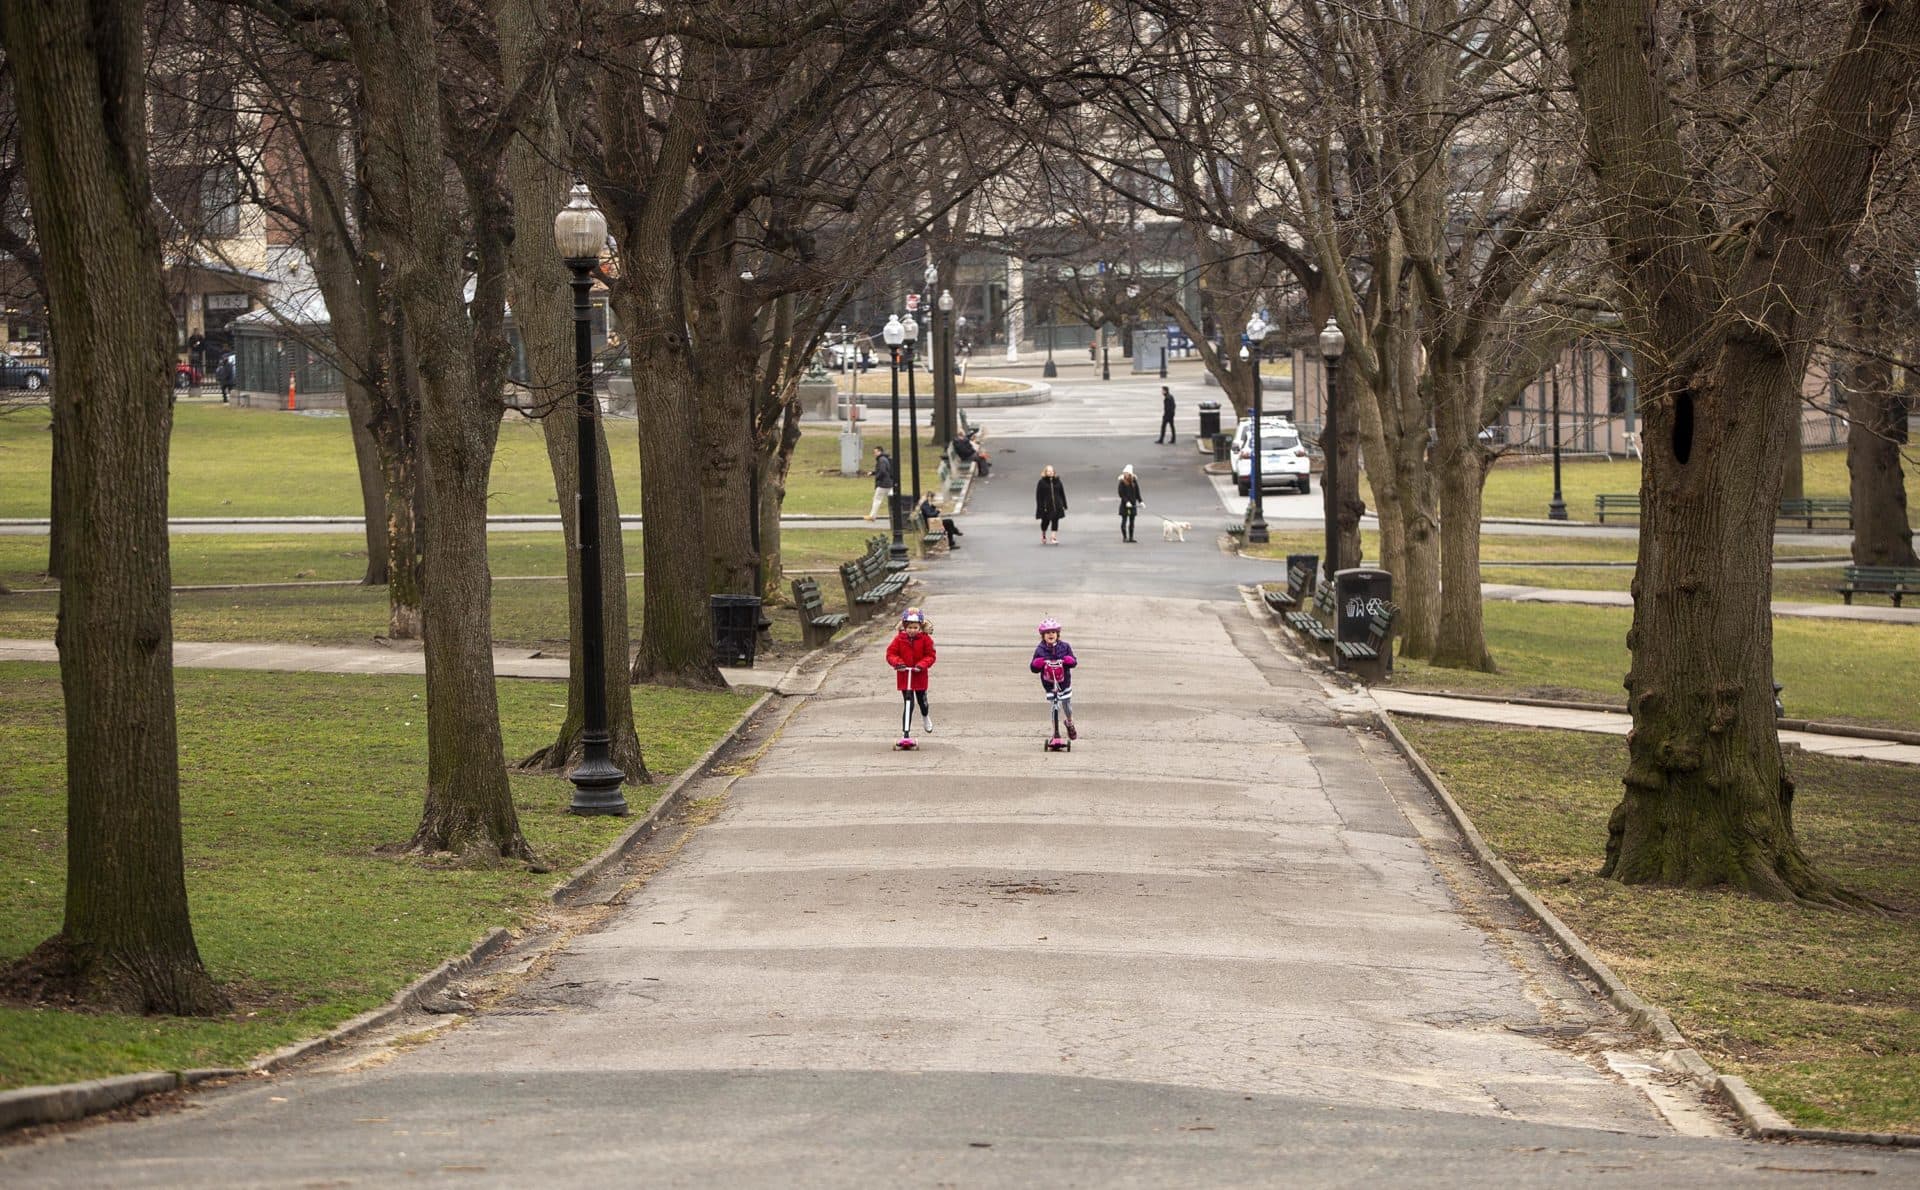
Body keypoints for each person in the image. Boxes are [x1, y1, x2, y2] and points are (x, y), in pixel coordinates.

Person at [886, 607, 938, 739]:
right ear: (904, 626)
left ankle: (925, 716)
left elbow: (931, 656)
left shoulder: (925, 640)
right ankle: (906, 734)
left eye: (915, 627)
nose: (912, 630)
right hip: (905, 676)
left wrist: (922, 665)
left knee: (922, 701)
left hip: (919, 675)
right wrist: (898, 663)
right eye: (909, 627)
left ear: (920, 627)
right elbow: (891, 654)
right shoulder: (899, 639)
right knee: (909, 703)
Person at [1031, 617, 1078, 741]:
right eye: (1047, 633)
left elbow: (1074, 662)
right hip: (1049, 683)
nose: (1050, 635)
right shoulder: (1040, 649)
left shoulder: (1065, 646)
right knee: (1054, 707)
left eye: (1053, 632)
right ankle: (1055, 733)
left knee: (1066, 704)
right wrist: (1037, 663)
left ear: (1058, 634)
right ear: (1043, 635)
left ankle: (1069, 722)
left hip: (1064, 682)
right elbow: (1033, 668)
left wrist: (1069, 660)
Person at [1035, 464, 1068, 545]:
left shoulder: (1058, 481)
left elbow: (1062, 493)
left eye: (1052, 471)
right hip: (1046, 506)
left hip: (1057, 505)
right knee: (1045, 522)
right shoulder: (1041, 482)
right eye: (1049, 471)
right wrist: (1040, 507)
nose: (1050, 472)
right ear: (1045, 472)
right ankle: (1043, 534)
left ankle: (1053, 537)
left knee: (1055, 520)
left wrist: (1064, 504)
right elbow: (1038, 495)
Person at [867, 446, 895, 522]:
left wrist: (878, 477)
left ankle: (872, 516)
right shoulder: (885, 459)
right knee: (892, 500)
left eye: (875, 452)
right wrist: (873, 473)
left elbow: (882, 471)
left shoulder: (881, 460)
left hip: (883, 484)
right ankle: (896, 515)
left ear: (880, 452)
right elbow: (883, 470)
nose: (874, 454)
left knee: (877, 499)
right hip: (889, 483)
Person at [1116, 464, 1144, 543]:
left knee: (1132, 522)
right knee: (1124, 521)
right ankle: (1125, 537)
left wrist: (1141, 501)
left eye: (1127, 473)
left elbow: (1137, 492)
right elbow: (1121, 494)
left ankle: (1131, 537)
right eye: (1124, 473)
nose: (1125, 474)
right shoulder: (1122, 482)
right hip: (1125, 505)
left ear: (1130, 474)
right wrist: (1127, 502)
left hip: (1133, 505)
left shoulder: (1134, 481)